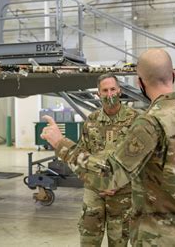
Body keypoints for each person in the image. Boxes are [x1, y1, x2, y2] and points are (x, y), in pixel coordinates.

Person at [42, 48, 175, 246]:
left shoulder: (149, 123)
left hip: (155, 235)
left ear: (139, 82)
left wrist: (60, 143)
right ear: (173, 76)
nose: (109, 94)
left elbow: (110, 176)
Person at [57, 73, 139, 246]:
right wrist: (97, 183)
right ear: (98, 94)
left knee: (119, 241)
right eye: (105, 90)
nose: (109, 94)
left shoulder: (136, 120)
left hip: (123, 194)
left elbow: (141, 161)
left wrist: (117, 183)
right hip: (94, 192)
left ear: (120, 91)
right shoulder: (91, 121)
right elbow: (82, 157)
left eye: (113, 89)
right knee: (89, 239)